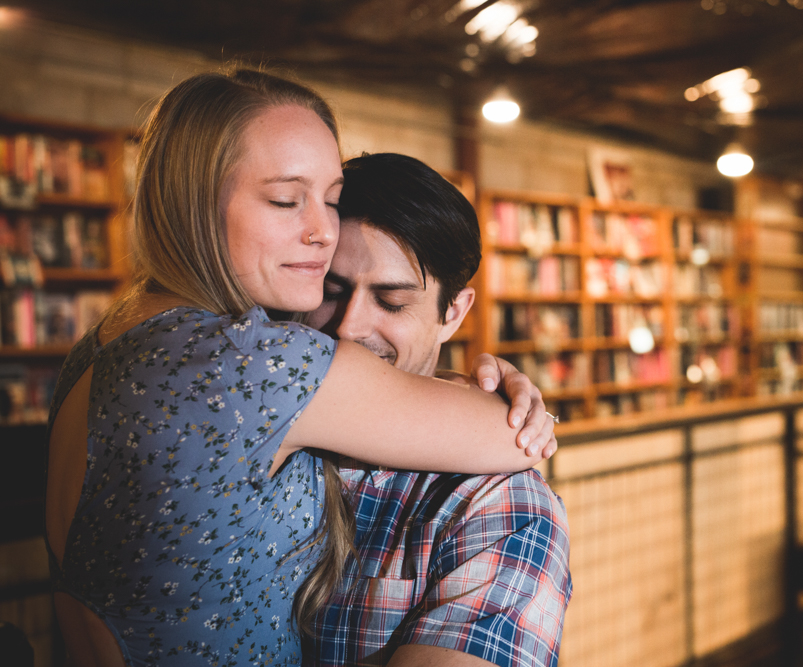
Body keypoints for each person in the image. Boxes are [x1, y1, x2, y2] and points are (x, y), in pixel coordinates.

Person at [45, 68, 555, 667]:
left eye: (331, 200)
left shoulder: (110, 339)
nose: (320, 231)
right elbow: (517, 434)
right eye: (287, 200)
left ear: (455, 312)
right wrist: (501, 394)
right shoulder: (249, 365)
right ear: (194, 204)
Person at [301, 153, 572, 667]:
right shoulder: (259, 418)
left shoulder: (495, 503)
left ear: (455, 312)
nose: (348, 327)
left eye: (393, 302)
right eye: (329, 290)